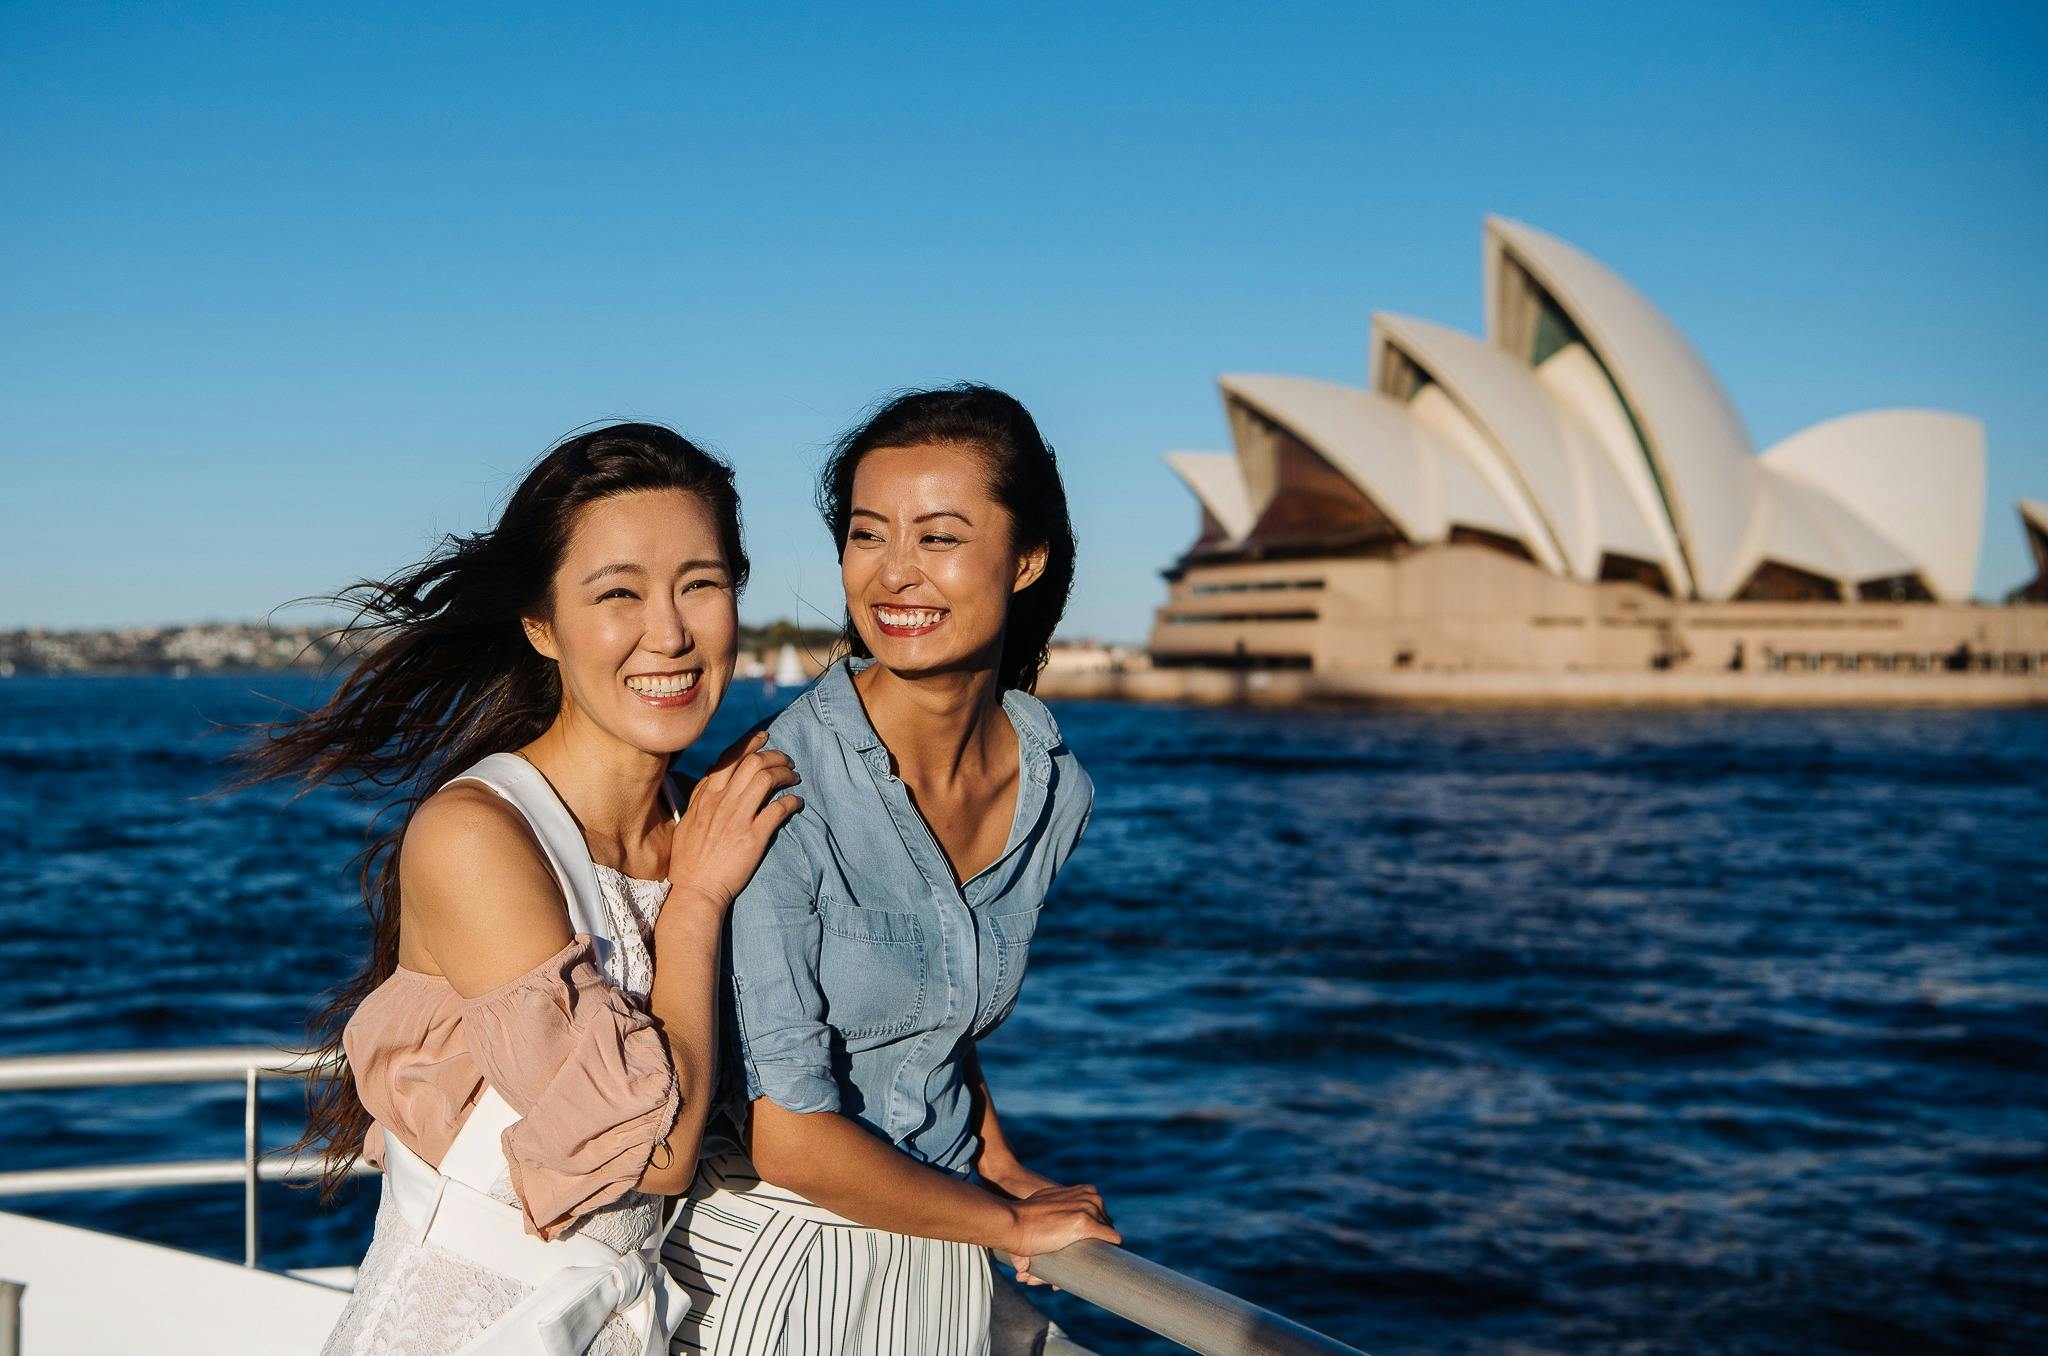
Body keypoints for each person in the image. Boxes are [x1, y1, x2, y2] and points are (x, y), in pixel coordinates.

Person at [242, 423, 799, 1355]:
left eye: (700, 584)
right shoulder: (478, 835)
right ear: (542, 624)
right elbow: (655, 1155)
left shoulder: (705, 822)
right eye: (618, 592)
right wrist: (697, 902)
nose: (670, 632)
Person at [664, 386, 1119, 1354]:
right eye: (867, 535)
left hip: (941, 1250)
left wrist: (1001, 1163)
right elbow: (789, 1135)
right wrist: (1008, 1223)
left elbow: (934, 1011)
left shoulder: (1051, 785)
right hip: (784, 1262)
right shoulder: (777, 784)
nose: (895, 573)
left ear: (1026, 559)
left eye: (939, 537)